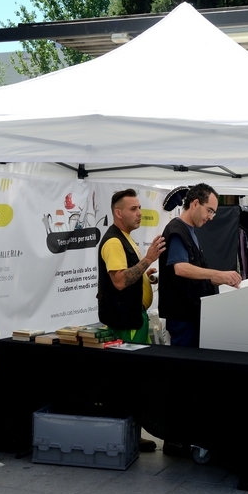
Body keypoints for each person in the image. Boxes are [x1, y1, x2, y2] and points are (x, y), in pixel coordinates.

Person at [97, 188, 166, 452]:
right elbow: (119, 280)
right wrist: (147, 259)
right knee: (126, 381)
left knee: (133, 380)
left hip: (134, 319)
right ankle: (125, 437)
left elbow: (129, 275)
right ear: (118, 212)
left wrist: (146, 277)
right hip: (125, 323)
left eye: (139, 208)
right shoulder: (114, 242)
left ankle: (131, 434)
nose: (139, 213)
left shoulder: (125, 238)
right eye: (133, 209)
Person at [159, 183, 242, 347]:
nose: (211, 217)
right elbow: (180, 268)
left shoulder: (190, 231)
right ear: (195, 203)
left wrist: (224, 280)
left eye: (213, 212)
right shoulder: (177, 231)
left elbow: (197, 276)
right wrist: (218, 274)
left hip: (193, 315)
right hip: (183, 318)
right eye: (209, 210)